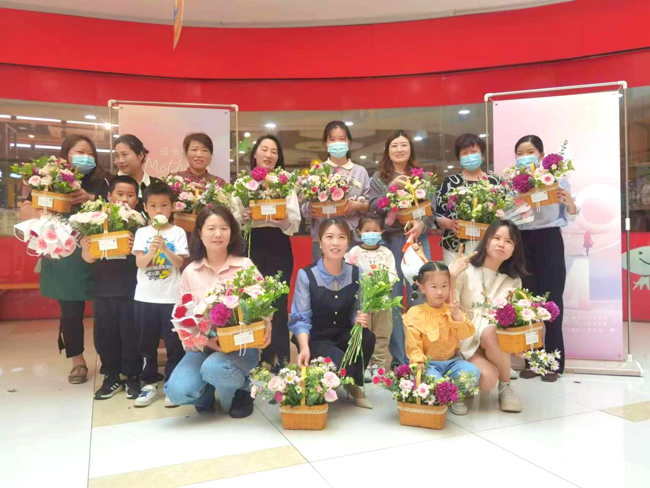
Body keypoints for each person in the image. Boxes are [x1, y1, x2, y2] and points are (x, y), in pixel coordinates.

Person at [164, 205, 271, 418]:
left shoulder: (245, 266)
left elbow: (265, 302)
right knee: (176, 392)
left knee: (214, 368)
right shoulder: (190, 272)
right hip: (204, 346)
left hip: (241, 344)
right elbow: (182, 318)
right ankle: (206, 396)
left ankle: (244, 389)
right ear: (199, 233)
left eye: (224, 228)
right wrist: (207, 342)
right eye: (211, 228)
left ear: (232, 233)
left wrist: (267, 324)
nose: (218, 234)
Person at [18, 134, 109, 384]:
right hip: (65, 255)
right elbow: (25, 210)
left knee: (106, 311)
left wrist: (90, 199)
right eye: (80, 152)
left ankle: (110, 359)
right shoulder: (51, 179)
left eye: (90, 153)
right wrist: (52, 206)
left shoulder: (103, 181)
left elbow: (119, 205)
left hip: (97, 253)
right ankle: (77, 361)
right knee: (70, 312)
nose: (86, 157)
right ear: (66, 154)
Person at [289, 219, 374, 408]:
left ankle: (352, 384)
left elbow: (356, 310)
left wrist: (360, 318)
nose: (335, 243)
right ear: (320, 243)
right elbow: (300, 318)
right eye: (329, 237)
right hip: (317, 338)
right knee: (338, 365)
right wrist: (304, 347)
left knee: (367, 337)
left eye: (341, 237)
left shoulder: (357, 273)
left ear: (348, 243)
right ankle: (338, 378)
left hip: (344, 334)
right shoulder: (306, 275)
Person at [368, 130, 434, 367]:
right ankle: (399, 359)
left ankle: (418, 355)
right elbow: (372, 206)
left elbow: (431, 211)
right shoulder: (379, 177)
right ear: (388, 150)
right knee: (393, 300)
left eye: (404, 145)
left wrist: (421, 224)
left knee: (419, 296)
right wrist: (391, 189)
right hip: (389, 243)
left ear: (410, 149)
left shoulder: (422, 177)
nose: (399, 149)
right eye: (394, 145)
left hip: (417, 241)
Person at [514, 135, 578, 381]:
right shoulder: (514, 183)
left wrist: (570, 203)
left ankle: (553, 363)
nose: (524, 156)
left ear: (541, 155)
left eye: (529, 151)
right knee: (526, 303)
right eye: (520, 153)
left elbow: (570, 214)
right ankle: (532, 362)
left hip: (550, 239)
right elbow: (508, 215)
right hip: (523, 241)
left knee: (552, 301)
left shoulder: (557, 178)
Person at [450, 220, 528, 412]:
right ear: (486, 242)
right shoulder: (464, 268)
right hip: (463, 340)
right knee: (487, 379)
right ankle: (458, 380)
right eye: (497, 238)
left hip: (491, 341)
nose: (501, 244)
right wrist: (451, 276)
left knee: (491, 332)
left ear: (514, 250)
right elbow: (448, 306)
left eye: (509, 241)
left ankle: (506, 386)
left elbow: (508, 322)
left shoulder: (513, 281)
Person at [240, 135, 300, 371]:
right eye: (264, 149)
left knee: (278, 300)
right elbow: (233, 220)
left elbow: (294, 222)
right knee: (252, 299)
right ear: (255, 153)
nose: (268, 155)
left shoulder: (284, 182)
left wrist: (284, 220)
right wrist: (243, 216)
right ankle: (255, 358)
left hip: (278, 243)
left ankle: (280, 358)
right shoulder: (243, 183)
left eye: (274, 151)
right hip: (251, 243)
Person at [80, 175, 142, 400]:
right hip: (104, 289)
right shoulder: (95, 222)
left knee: (131, 334)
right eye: (120, 194)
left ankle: (133, 375)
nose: (125, 199)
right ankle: (111, 376)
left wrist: (137, 247)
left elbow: (146, 260)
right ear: (109, 196)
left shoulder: (140, 224)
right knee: (105, 335)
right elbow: (88, 259)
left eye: (130, 195)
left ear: (137, 199)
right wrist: (86, 248)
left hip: (132, 290)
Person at [132, 182, 189, 407]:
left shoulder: (178, 232)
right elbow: (140, 263)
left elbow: (179, 263)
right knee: (146, 343)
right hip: (145, 298)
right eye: (153, 206)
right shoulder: (142, 233)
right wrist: (151, 251)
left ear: (172, 207)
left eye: (164, 205)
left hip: (171, 298)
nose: (159, 210)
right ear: (145, 208)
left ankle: (172, 384)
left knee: (174, 344)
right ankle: (149, 383)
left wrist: (165, 248)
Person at [403, 261, 480, 415]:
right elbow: (413, 342)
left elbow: (466, 334)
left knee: (473, 372)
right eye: (434, 287)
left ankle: (456, 396)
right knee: (432, 380)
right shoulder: (415, 313)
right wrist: (418, 361)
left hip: (453, 361)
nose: (440, 292)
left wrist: (457, 315)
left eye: (444, 286)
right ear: (422, 288)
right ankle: (444, 393)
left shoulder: (452, 309)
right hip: (430, 364)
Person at [302, 121, 370, 261]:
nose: (337, 143)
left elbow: (369, 206)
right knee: (321, 274)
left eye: (342, 139)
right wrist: (310, 208)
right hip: (322, 239)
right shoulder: (317, 171)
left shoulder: (360, 171)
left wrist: (358, 205)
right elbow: (304, 207)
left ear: (349, 142)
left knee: (352, 274)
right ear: (326, 144)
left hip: (352, 238)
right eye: (332, 139)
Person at [345, 216, 398, 381]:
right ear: (359, 232)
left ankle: (378, 364)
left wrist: (381, 285)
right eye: (367, 231)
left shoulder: (386, 253)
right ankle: (364, 364)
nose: (371, 234)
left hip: (382, 299)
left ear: (382, 232)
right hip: (362, 301)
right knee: (363, 331)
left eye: (375, 230)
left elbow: (392, 274)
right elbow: (348, 272)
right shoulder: (354, 252)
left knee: (382, 332)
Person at [436, 133, 501, 265]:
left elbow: (504, 213)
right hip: (455, 246)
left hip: (488, 246)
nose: (469, 156)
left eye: (473, 152)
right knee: (456, 277)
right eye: (464, 153)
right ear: (459, 158)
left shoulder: (495, 182)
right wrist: (450, 224)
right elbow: (438, 215)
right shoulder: (450, 182)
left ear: (482, 155)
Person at [99, 134, 160, 208]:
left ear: (140, 155)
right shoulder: (107, 184)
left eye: (125, 154)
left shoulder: (156, 185)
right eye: (117, 155)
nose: (120, 160)